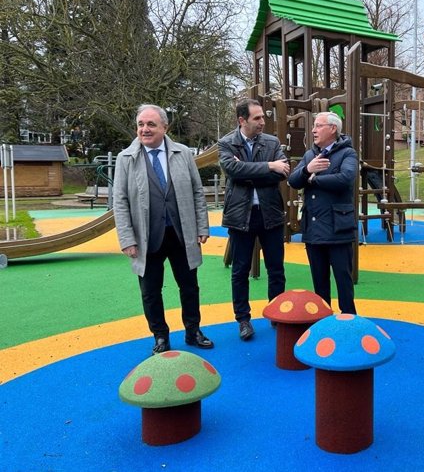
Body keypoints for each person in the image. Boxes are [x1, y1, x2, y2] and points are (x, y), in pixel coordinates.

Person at [113, 104, 214, 354]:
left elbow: (197, 191)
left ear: (164, 127)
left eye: (151, 125)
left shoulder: (182, 154)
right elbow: (120, 201)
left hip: (182, 234)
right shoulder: (126, 158)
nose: (144, 130)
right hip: (146, 237)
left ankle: (193, 331)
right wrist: (127, 238)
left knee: (189, 286)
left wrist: (202, 225)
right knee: (150, 291)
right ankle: (160, 336)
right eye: (140, 125)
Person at [218, 98, 290, 341]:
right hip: (241, 215)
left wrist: (248, 170)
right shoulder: (227, 143)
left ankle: (277, 313)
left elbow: (284, 172)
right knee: (240, 270)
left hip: (269, 213)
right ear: (242, 120)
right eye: (257, 118)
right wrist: (269, 166)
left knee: (276, 268)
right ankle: (243, 319)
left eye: (263, 117)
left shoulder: (272, 142)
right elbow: (233, 171)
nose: (262, 122)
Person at [288, 111, 358, 314]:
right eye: (314, 126)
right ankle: (323, 321)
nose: (313, 130)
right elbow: (293, 180)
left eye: (318, 125)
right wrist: (306, 170)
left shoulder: (347, 153)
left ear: (333, 129)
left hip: (338, 229)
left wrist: (313, 179)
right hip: (314, 230)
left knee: (343, 282)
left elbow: (346, 178)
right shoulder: (310, 154)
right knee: (319, 284)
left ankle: (349, 321)